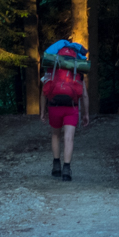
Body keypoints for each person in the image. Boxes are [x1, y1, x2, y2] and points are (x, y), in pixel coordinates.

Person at [39, 43, 90, 182]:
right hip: (71, 107)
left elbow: (44, 93)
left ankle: (56, 166)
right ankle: (66, 169)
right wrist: (86, 114)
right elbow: (84, 95)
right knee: (69, 138)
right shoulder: (77, 69)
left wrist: (42, 111)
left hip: (54, 106)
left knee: (55, 135)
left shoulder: (51, 68)